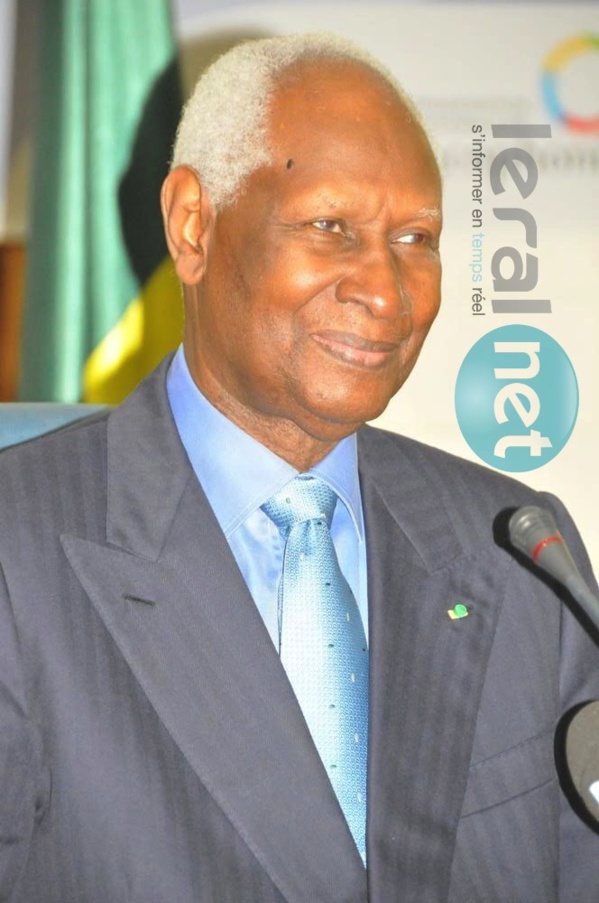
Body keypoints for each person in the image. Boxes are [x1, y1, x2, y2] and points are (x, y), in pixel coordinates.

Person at [0, 33, 598, 903]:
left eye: (415, 238)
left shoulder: (516, 551)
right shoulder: (17, 552)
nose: (387, 292)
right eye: (331, 227)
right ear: (193, 225)